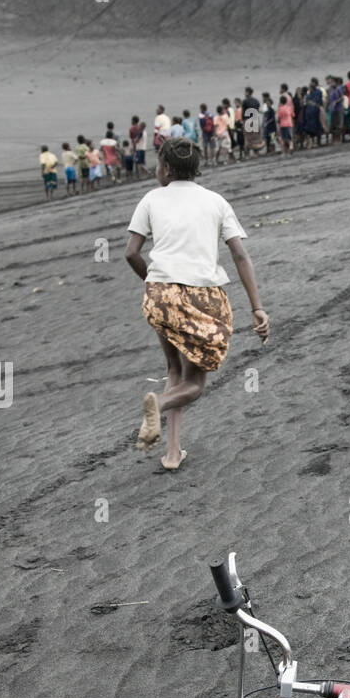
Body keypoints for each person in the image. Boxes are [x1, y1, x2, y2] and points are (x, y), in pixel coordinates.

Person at [124, 138, 271, 471]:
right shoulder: (216, 202)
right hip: (202, 297)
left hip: (161, 295)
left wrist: (155, 283)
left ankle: (173, 453)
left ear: (167, 168)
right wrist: (257, 307)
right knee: (193, 384)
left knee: (173, 369)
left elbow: (131, 252)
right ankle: (157, 404)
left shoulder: (151, 199)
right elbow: (239, 254)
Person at [242, 87, 262, 156]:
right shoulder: (256, 101)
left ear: (247, 92)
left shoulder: (245, 101)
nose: (244, 93)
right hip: (255, 120)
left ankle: (247, 154)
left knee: (247, 138)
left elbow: (243, 112)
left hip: (248, 120)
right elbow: (258, 109)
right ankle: (256, 153)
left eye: (245, 92)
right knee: (255, 138)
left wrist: (242, 121)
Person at [277, 86, 295, 153]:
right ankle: (291, 147)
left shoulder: (280, 108)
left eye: (280, 88)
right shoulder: (289, 99)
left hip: (282, 124)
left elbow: (278, 118)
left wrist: (278, 124)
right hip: (289, 123)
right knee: (290, 137)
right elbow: (292, 114)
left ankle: (284, 150)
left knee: (283, 137)